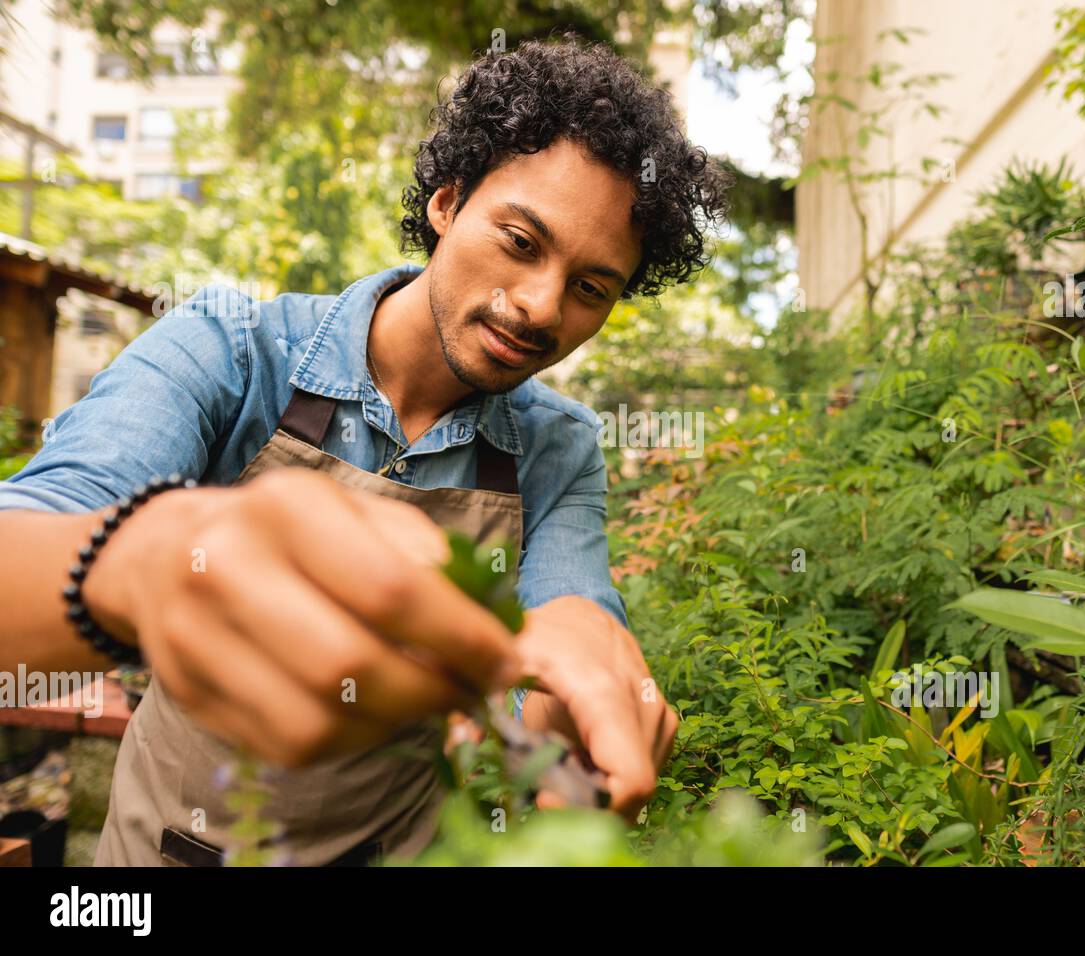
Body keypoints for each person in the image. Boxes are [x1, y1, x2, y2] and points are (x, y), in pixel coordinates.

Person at [0, 36, 731, 865]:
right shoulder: (231, 353)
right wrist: (145, 563)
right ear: (447, 202)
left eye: (589, 288)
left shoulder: (556, 450)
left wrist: (568, 686)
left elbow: (570, 613)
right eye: (522, 242)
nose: (538, 307)